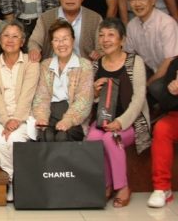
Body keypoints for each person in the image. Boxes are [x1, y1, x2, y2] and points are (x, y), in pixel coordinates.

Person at [87, 18, 150, 208]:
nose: (105, 39)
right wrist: (95, 93)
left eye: (111, 35)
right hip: (103, 120)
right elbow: (94, 101)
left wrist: (121, 122)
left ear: (122, 40)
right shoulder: (96, 64)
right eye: (102, 35)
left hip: (132, 121)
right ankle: (106, 183)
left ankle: (122, 186)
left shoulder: (134, 62)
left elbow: (139, 99)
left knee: (110, 138)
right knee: (92, 138)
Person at [0, 21, 39, 201]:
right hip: (0, 115)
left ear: (23, 41)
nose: (10, 40)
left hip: (24, 115)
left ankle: (18, 181)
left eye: (15, 36)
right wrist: (5, 119)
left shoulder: (31, 63)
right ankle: (11, 180)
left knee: (16, 140)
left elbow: (28, 94)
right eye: (6, 35)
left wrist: (16, 120)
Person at [32, 20, 94, 142]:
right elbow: (41, 95)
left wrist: (68, 120)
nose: (61, 44)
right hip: (50, 112)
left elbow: (84, 99)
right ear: (52, 43)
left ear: (73, 40)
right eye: (56, 40)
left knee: (62, 136)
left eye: (65, 39)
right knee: (46, 135)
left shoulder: (85, 65)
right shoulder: (45, 65)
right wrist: (42, 117)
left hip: (74, 114)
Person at [123, 0, 178, 102]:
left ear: (153, 0)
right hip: (151, 70)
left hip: (172, 73)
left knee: (156, 87)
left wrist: (147, 84)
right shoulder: (132, 25)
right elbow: (129, 56)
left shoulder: (166, 24)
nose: (137, 4)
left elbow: (170, 60)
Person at [27, 0, 102, 62]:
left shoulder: (95, 18)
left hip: (84, 68)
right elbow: (34, 41)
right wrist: (34, 50)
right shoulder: (46, 18)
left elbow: (101, 47)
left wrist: (99, 53)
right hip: (52, 67)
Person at [148, 56, 178, 208]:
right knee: (161, 128)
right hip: (176, 117)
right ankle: (162, 188)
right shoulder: (175, 64)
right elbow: (165, 103)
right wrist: (174, 92)